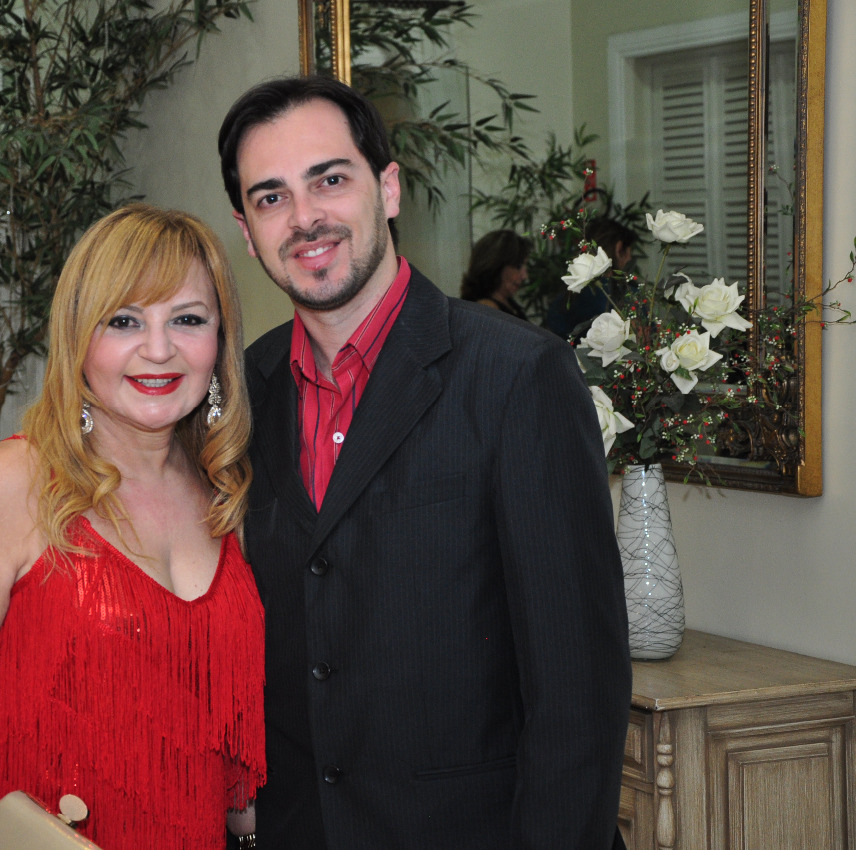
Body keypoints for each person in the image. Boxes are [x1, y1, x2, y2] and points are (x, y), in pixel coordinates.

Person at [217, 76, 631, 849]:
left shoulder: (519, 376)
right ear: (247, 230)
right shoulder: (245, 390)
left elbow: (577, 690)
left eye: (329, 180)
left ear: (388, 188)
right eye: (271, 197)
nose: (304, 218)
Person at [0, 204, 266, 850]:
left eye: (187, 319)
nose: (158, 349)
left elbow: (222, 735)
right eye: (123, 320)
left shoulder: (224, 491)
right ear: (78, 340)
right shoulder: (17, 483)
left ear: (220, 341)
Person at [545, 216, 639, 340]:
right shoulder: (626, 297)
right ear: (619, 248)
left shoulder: (565, 297)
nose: (630, 258)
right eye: (629, 252)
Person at [460, 228, 534, 320]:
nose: (524, 276)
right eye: (518, 267)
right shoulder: (486, 309)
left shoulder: (506, 301)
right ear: (496, 266)